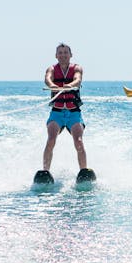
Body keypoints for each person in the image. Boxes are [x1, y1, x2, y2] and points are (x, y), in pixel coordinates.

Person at [40, 43, 88, 175]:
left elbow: (77, 80)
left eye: (65, 52)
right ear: (56, 56)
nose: (63, 55)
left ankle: (84, 171)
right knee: (51, 139)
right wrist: (52, 86)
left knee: (78, 141)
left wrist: (70, 85)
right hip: (57, 113)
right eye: (60, 53)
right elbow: (47, 79)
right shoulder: (51, 69)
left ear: (70, 55)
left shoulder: (77, 68)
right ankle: (45, 172)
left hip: (74, 113)